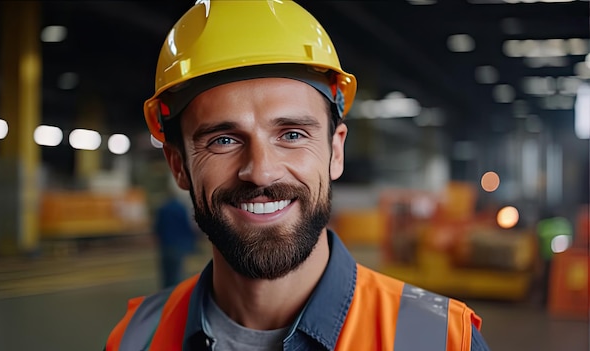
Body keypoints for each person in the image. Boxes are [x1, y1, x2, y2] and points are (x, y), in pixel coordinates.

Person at [105, 1, 491, 350]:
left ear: (335, 151)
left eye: (292, 134)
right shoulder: (135, 339)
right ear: (178, 165)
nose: (261, 171)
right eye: (223, 140)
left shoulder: (437, 340)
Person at [152, 178, 198, 288]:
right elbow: (187, 227)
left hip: (165, 246)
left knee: (166, 275)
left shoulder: (162, 208)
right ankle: (174, 297)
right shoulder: (181, 208)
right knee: (177, 275)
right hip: (179, 246)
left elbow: (157, 228)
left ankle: (165, 297)